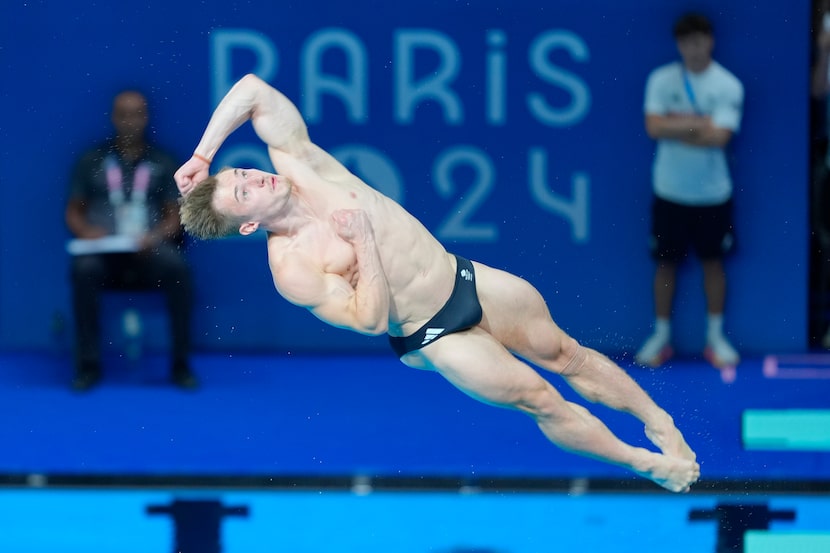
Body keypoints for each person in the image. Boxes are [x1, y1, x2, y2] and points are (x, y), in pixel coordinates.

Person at [175, 73, 700, 492]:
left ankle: (657, 420)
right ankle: (641, 462)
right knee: (540, 398)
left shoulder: (302, 163)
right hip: (432, 334)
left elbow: (251, 89)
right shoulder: (292, 268)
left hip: (461, 275)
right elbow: (369, 321)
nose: (254, 178)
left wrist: (202, 155)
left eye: (241, 172)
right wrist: (363, 245)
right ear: (249, 225)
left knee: (567, 353)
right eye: (244, 193)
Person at [66, 90, 197, 391]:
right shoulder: (91, 160)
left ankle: (181, 366)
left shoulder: (164, 162)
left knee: (179, 270)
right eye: (123, 114)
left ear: (146, 117)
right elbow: (73, 212)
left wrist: (155, 236)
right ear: (113, 118)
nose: (130, 121)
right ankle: (87, 367)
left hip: (149, 251)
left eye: (136, 113)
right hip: (104, 253)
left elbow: (175, 216)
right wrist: (87, 232)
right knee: (83, 270)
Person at [634, 13, 744, 369]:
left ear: (710, 41)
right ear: (679, 45)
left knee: (713, 264)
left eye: (699, 41)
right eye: (686, 42)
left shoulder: (728, 85)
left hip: (714, 194)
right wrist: (700, 124)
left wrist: (675, 125)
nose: (693, 49)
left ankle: (715, 338)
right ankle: (661, 336)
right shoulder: (660, 80)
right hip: (670, 191)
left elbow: (721, 137)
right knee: (665, 264)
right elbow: (653, 127)